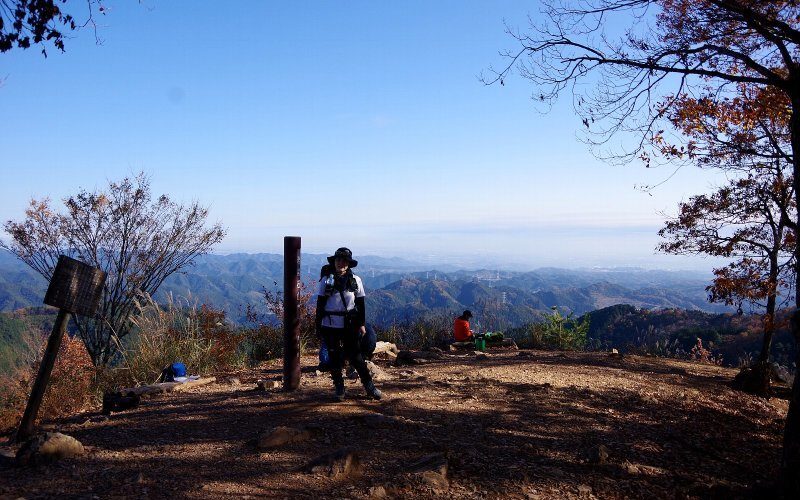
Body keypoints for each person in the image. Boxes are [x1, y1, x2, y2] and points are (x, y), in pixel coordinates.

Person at [316, 247, 382, 401]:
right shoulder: (326, 280)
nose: (341, 263)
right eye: (338, 260)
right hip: (330, 324)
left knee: (357, 357)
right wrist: (318, 325)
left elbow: (360, 304)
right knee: (333, 357)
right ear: (334, 261)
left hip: (349, 324)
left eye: (344, 261)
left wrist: (361, 323)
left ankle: (370, 387)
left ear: (349, 264)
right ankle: (339, 389)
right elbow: (320, 304)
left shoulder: (356, 280)